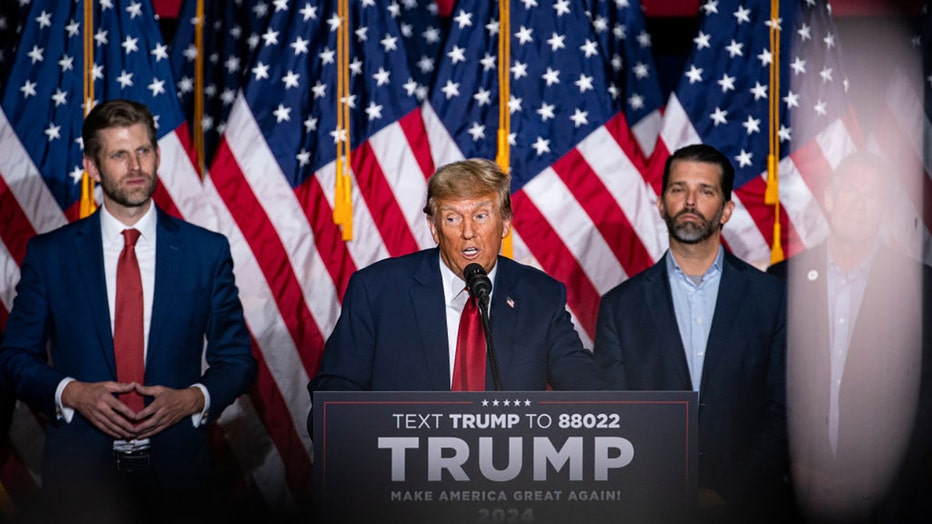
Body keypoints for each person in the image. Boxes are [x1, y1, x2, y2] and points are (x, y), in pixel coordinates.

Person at [0, 99, 257, 523]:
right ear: (93, 167)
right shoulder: (51, 256)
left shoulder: (205, 251)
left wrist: (195, 398)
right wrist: (72, 393)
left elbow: (238, 361)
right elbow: (13, 359)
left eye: (143, 150)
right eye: (119, 154)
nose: (135, 165)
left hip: (179, 478)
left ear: (157, 155)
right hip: (81, 481)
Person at [593, 144, 789, 523]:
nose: (690, 201)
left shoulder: (772, 298)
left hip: (750, 505)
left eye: (706, 191)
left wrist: (730, 492)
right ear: (662, 203)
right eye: (678, 189)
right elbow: (615, 416)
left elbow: (784, 411)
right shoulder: (620, 307)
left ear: (727, 210)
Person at [307, 158, 606, 405]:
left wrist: (623, 418)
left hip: (508, 469)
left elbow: (582, 381)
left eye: (481, 216)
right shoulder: (377, 291)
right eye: (452, 218)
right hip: (403, 469)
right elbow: (335, 393)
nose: (468, 232)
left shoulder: (540, 296)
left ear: (505, 223)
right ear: (434, 228)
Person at [768, 152, 932, 523]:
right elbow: (765, 386)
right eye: (850, 192)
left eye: (871, 196)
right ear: (829, 198)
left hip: (893, 499)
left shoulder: (919, 289)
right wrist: (793, 466)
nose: (858, 205)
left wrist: (876, 474)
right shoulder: (781, 283)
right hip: (793, 495)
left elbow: (925, 397)